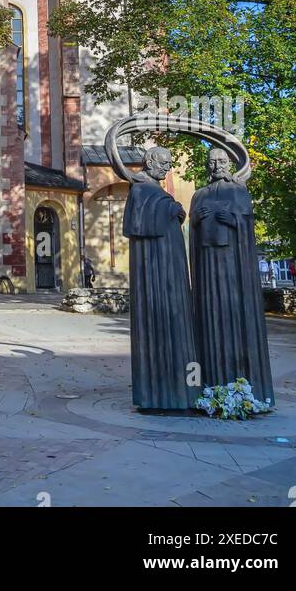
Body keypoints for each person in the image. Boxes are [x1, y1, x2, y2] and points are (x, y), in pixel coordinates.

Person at [189, 148, 273, 405]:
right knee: (208, 315)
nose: (216, 166)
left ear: (229, 163)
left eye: (222, 161)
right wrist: (195, 220)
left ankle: (241, 384)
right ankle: (208, 382)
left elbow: (247, 227)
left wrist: (234, 220)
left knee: (231, 314)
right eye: (212, 161)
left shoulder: (238, 191)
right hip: (206, 268)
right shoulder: (199, 195)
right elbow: (191, 228)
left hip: (231, 269)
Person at [122, 146, 199, 411]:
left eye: (169, 164)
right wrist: (170, 208)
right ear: (149, 162)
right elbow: (140, 223)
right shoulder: (142, 188)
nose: (167, 169)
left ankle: (185, 387)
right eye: (163, 163)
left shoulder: (154, 188)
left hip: (171, 268)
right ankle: (160, 393)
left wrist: (175, 209)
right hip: (156, 272)